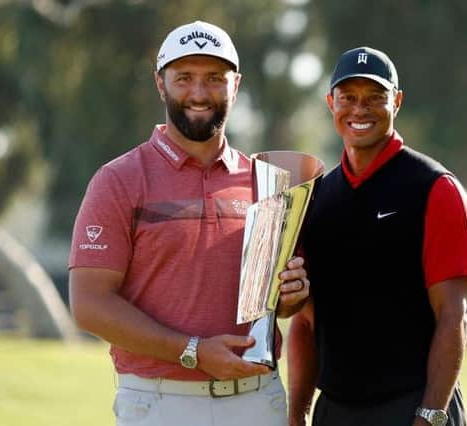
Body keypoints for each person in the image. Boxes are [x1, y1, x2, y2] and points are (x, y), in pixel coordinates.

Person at [68, 20, 310, 426]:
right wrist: (192, 350)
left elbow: (281, 307)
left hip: (257, 399)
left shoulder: (267, 181)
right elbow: (90, 305)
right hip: (160, 402)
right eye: (184, 78)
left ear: (236, 84)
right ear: (160, 84)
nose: (199, 93)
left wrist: (293, 294)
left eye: (215, 78)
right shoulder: (119, 180)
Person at [287, 47, 467, 426]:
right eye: (348, 98)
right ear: (331, 103)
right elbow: (305, 323)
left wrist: (430, 414)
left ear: (397, 101)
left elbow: (453, 314)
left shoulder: (435, 188)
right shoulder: (316, 198)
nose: (360, 110)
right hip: (335, 410)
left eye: (375, 98)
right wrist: (297, 412)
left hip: (413, 408)